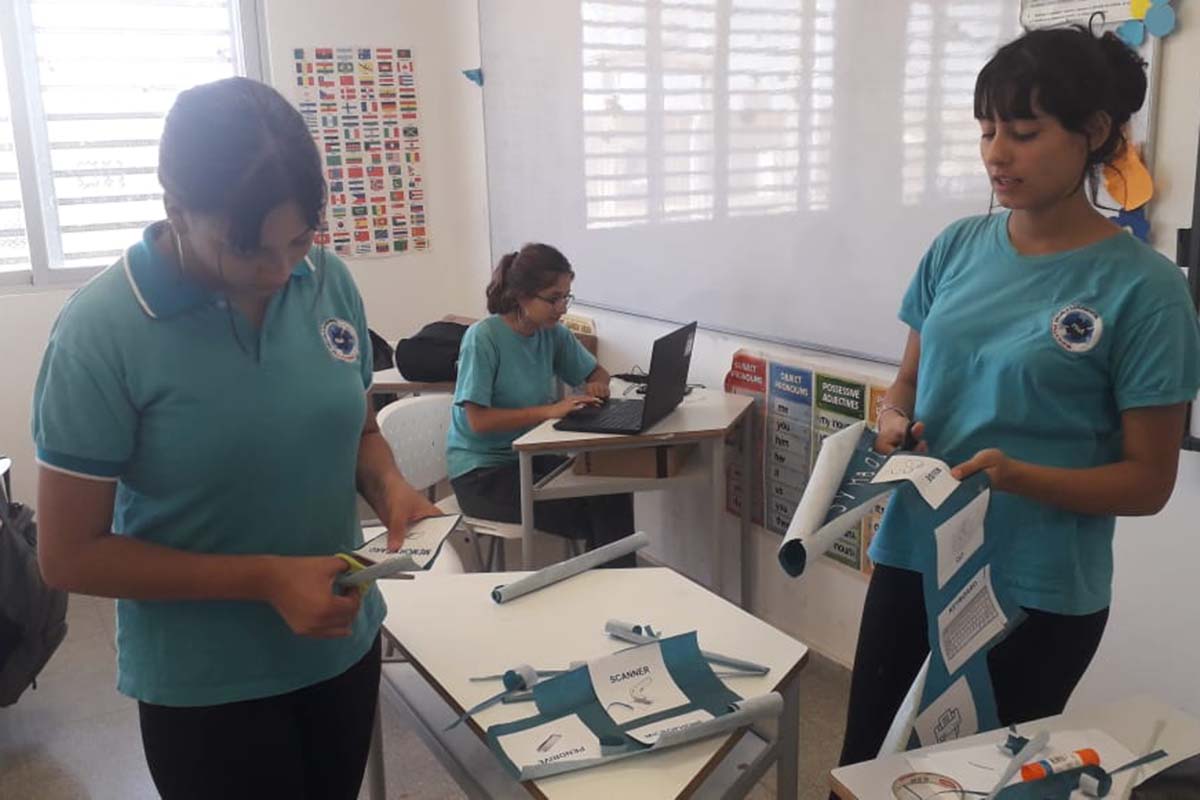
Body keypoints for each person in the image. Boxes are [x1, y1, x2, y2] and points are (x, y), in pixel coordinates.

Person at [32, 77, 438, 800]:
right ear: (175, 210)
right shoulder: (102, 330)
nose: (280, 271)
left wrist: (391, 487)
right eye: (246, 249)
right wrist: (265, 578)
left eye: (299, 239)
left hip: (340, 649)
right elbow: (67, 555)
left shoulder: (328, 281)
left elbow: (357, 428)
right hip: (206, 685)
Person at [835, 26, 1200, 771]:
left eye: (1024, 134)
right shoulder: (957, 246)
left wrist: (1016, 476)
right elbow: (907, 382)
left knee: (977, 778)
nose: (997, 155)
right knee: (865, 767)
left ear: (1092, 132)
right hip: (913, 556)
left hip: (1037, 588)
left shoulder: (1147, 289)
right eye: (987, 131)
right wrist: (892, 419)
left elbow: (1148, 482)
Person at [447, 243, 637, 566]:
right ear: (522, 296)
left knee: (612, 490)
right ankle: (614, 588)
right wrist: (549, 411)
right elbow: (478, 421)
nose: (562, 308)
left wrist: (597, 385)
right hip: (483, 474)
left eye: (566, 297)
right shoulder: (483, 338)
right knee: (594, 512)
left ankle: (615, 588)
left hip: (529, 457)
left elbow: (598, 373)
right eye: (553, 298)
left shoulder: (552, 334)